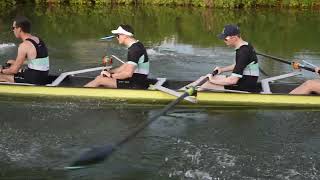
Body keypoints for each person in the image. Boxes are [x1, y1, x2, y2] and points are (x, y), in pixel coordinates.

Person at [182, 24, 259, 92]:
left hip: (245, 86)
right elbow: (239, 65)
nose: (224, 41)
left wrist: (212, 80)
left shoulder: (243, 52)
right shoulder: (246, 45)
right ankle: (181, 91)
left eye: (225, 39)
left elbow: (232, 81)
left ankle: (182, 95)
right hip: (245, 80)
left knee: (205, 84)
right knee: (204, 78)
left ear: (234, 37)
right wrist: (222, 69)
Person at [85, 24, 150, 89]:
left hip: (136, 83)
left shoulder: (134, 50)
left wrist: (110, 76)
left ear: (125, 35)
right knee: (100, 78)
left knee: (99, 80)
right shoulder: (137, 45)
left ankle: (82, 92)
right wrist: (109, 72)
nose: (116, 37)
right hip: (136, 80)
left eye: (117, 35)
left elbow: (128, 73)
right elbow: (123, 68)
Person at [0, 16, 49, 85]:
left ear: (19, 29)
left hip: (34, 80)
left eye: (13, 28)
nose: (13, 30)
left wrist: (1, 71)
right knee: (10, 62)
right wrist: (15, 62)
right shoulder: (37, 39)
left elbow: (14, 70)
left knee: (2, 76)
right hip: (43, 75)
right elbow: (37, 60)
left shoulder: (24, 45)